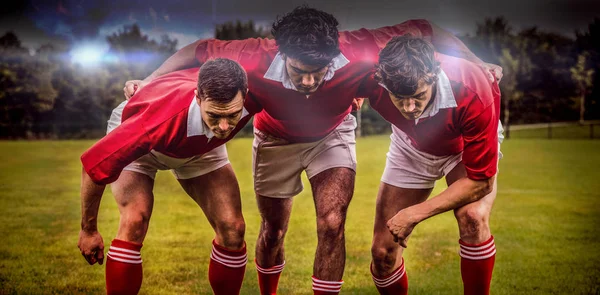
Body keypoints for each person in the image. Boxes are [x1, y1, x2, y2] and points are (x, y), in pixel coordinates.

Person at [123, 7, 495, 294]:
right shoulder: (253, 55)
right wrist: (148, 82)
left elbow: (426, 29)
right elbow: (194, 51)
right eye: (300, 71)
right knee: (273, 231)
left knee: (332, 223)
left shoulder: (361, 49)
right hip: (275, 139)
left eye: (319, 70)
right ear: (281, 52)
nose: (309, 81)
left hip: (332, 135)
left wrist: (478, 64)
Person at [77, 58, 261, 295]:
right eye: (215, 116)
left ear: (245, 96)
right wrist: (88, 229)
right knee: (134, 220)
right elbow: (93, 166)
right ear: (198, 98)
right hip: (146, 146)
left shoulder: (258, 93)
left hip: (200, 147)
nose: (225, 127)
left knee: (233, 228)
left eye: (232, 115)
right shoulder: (153, 122)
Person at [366, 35, 503, 295]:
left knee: (473, 217)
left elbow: (482, 182)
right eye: (399, 97)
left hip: (462, 147)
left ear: (433, 75)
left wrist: (414, 214)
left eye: (418, 96)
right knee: (382, 253)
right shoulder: (369, 73)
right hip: (410, 147)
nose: (409, 107)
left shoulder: (474, 87)